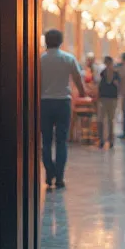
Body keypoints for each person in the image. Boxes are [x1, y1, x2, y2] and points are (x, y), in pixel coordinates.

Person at [40, 28, 85, 189]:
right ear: (60, 42)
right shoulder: (68, 58)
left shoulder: (40, 60)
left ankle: (49, 172)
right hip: (63, 103)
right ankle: (59, 177)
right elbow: (78, 78)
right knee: (61, 141)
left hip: (44, 102)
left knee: (45, 141)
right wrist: (82, 92)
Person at [97, 55, 120, 148]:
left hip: (112, 98)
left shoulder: (116, 74)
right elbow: (100, 85)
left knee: (110, 120)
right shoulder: (103, 73)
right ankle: (101, 139)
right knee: (101, 119)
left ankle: (110, 140)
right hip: (103, 98)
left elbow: (119, 86)